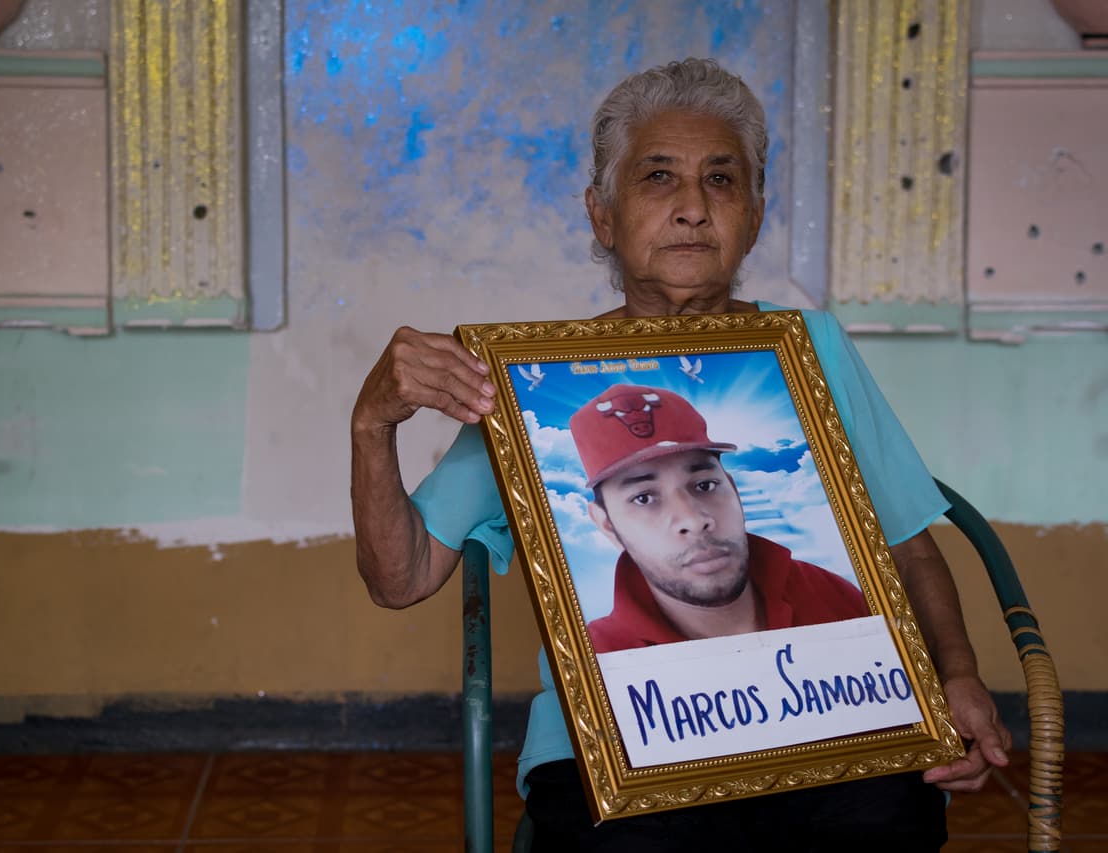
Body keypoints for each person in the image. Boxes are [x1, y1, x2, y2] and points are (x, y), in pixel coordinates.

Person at [350, 57, 1009, 851]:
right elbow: (402, 576)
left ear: (755, 215)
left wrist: (959, 673)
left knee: (889, 818)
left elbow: (905, 542)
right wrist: (371, 427)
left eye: (721, 180)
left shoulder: (812, 349)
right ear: (603, 214)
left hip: (831, 725)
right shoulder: (528, 379)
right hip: (612, 748)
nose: (693, 208)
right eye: (658, 177)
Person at [568, 384, 868, 654]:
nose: (694, 520)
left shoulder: (830, 594)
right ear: (607, 525)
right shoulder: (599, 659)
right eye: (644, 498)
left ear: (734, 491)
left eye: (705, 485)